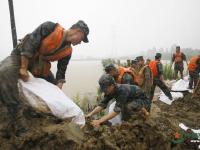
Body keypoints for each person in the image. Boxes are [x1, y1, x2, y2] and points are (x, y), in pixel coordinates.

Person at [0, 20, 89, 121]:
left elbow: (61, 70)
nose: (80, 43)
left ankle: (55, 114)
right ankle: (16, 116)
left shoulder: (68, 51)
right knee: (4, 71)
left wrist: (58, 87)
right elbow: (30, 44)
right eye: (82, 39)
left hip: (39, 66)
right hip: (21, 56)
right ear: (78, 31)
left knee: (53, 89)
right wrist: (23, 68)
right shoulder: (50, 27)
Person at [85, 74, 151, 127]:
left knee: (127, 107)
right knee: (112, 106)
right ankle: (144, 113)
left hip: (143, 101)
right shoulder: (110, 91)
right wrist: (90, 114)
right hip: (131, 99)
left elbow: (116, 111)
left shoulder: (122, 90)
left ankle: (131, 122)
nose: (105, 91)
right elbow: (102, 104)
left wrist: (99, 121)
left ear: (112, 85)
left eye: (105, 89)